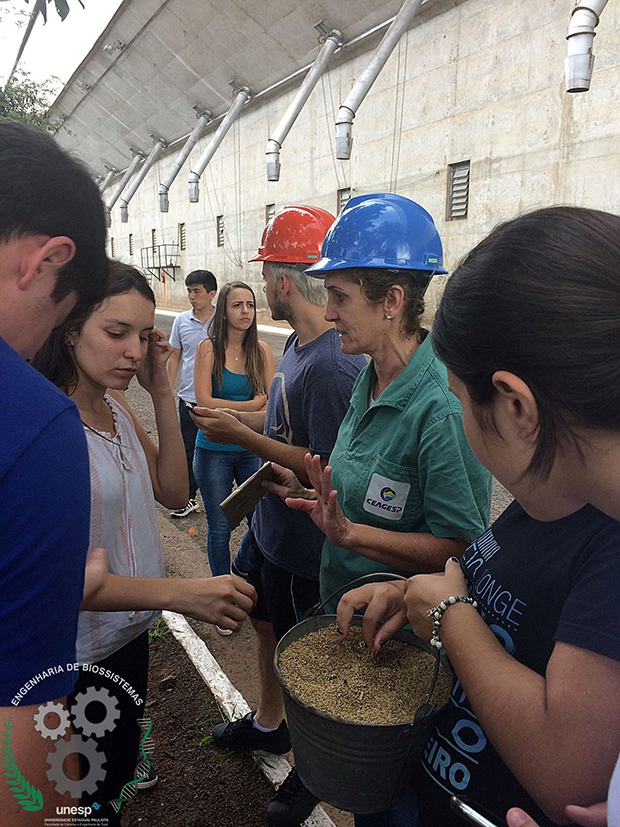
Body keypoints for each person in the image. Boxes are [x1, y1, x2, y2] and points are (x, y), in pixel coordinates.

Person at [336, 207, 620, 827]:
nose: (458, 415)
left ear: (517, 407)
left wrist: (447, 616)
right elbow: (484, 571)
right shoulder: (555, 497)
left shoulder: (605, 547)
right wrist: (415, 591)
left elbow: (568, 770)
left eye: (463, 399)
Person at [265, 193, 491, 825]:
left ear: (392, 300)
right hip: (356, 621)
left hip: (406, 644)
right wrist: (321, 483)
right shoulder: (369, 375)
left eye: (340, 296)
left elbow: (462, 547)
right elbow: (368, 475)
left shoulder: (439, 408)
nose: (328, 310)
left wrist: (349, 531)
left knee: (391, 805)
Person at [34, 261, 257, 823]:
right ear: (68, 329)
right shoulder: (49, 430)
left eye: (141, 334)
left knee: (111, 778)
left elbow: (175, 491)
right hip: (73, 658)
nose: (134, 350)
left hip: (127, 640)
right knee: (77, 800)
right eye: (116, 333)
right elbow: (60, 583)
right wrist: (184, 594)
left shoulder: (114, 410)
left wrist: (161, 394)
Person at [191, 205, 366, 824]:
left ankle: (312, 772)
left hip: (303, 544)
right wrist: (246, 428)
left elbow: (320, 465)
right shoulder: (294, 344)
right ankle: (270, 725)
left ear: (285, 281)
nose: (262, 286)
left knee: (306, 659)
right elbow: (283, 420)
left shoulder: (336, 365)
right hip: (271, 529)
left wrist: (241, 437)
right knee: (265, 625)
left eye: (267, 274)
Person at [0, 122, 108, 824]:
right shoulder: (37, 427)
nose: (37, 346)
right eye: (60, 315)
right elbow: (25, 744)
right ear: (48, 260)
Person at [193, 281, 276, 603]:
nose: (246, 312)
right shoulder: (208, 349)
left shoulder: (262, 351)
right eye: (238, 305)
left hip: (252, 449)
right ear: (224, 312)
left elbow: (274, 401)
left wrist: (240, 409)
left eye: (251, 305)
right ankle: (222, 595)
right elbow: (204, 401)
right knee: (219, 527)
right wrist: (253, 406)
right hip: (213, 450)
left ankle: (240, 567)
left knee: (261, 520)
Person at [166, 269, 217, 518]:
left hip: (218, 398)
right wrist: (165, 385)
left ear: (211, 294)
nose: (191, 296)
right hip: (188, 398)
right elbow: (175, 355)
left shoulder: (223, 321)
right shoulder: (181, 321)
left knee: (220, 449)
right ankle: (189, 498)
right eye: (189, 291)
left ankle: (225, 497)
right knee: (188, 449)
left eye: (196, 291)